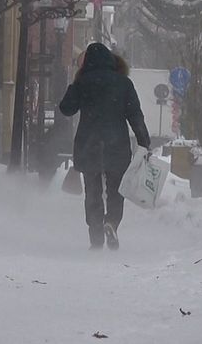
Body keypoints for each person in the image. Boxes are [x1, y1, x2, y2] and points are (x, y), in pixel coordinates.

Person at [59, 43, 150, 251]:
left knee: (92, 192)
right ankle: (112, 222)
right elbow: (135, 115)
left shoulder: (83, 82)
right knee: (116, 191)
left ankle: (96, 237)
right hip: (116, 144)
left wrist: (75, 83)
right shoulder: (123, 83)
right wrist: (144, 141)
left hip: (89, 145)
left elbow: (66, 109)